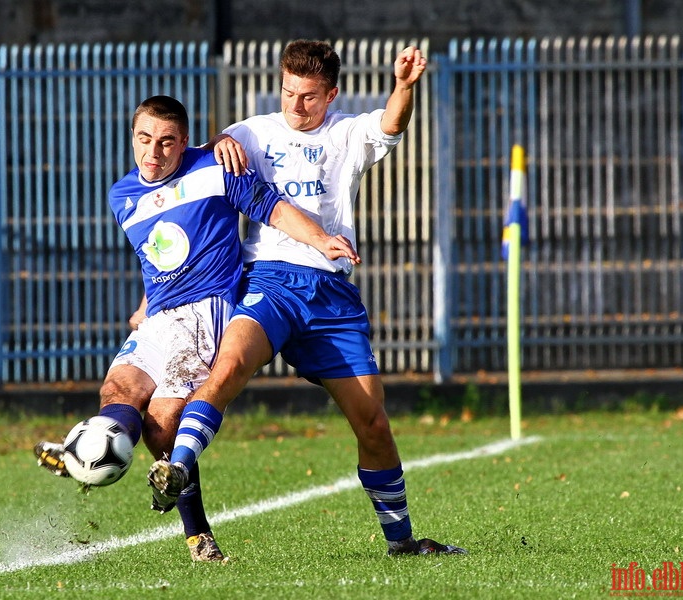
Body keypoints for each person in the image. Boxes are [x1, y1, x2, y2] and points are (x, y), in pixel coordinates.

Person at [145, 40, 468, 557]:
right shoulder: (250, 132)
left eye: (309, 96)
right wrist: (218, 141)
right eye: (288, 92)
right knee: (227, 368)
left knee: (373, 422)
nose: (296, 105)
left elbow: (391, 122)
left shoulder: (346, 132)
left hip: (330, 295)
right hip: (268, 281)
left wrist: (405, 86)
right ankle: (178, 467)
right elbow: (193, 183)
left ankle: (401, 541)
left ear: (332, 94)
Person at [33, 94, 359, 562]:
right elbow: (159, 251)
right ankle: (89, 454)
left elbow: (272, 209)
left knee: (161, 428)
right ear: (132, 138)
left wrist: (321, 238)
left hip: (205, 315)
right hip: (159, 317)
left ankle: (184, 525)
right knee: (116, 390)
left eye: (167, 142)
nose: (154, 152)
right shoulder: (121, 195)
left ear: (184, 142)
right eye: (144, 139)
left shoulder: (217, 166)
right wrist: (146, 304)